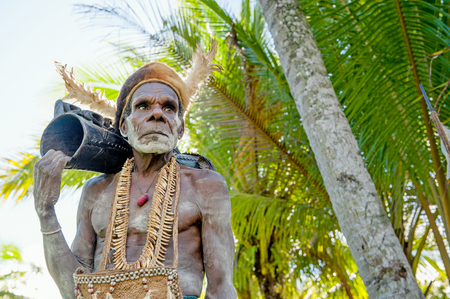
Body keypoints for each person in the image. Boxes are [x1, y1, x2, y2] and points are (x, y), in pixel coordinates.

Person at [33, 43, 237, 299]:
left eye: (169, 108)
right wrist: (45, 211)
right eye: (143, 106)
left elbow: (221, 289)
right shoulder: (97, 191)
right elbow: (74, 290)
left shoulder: (206, 185)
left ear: (180, 129)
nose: (157, 114)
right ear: (124, 127)